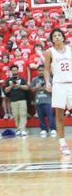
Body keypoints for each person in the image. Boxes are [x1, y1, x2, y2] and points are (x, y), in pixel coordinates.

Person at [44, 27, 71, 155]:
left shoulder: (70, 50)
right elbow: (46, 69)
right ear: (52, 40)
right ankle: (62, 143)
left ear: (63, 37)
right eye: (54, 36)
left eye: (59, 35)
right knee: (59, 115)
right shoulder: (49, 52)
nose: (57, 37)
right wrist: (47, 81)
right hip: (59, 85)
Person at [3, 64, 30, 137]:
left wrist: (19, 86)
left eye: (16, 70)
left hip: (22, 100)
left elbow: (27, 88)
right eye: (13, 70)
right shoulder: (8, 81)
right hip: (13, 100)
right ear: (11, 71)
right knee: (16, 116)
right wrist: (11, 86)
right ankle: (18, 129)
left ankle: (23, 130)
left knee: (23, 114)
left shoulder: (22, 79)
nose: (14, 71)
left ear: (18, 70)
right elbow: (5, 90)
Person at [31, 63, 56, 138]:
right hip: (38, 101)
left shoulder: (49, 79)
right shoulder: (34, 79)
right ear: (37, 71)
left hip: (48, 100)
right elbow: (31, 90)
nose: (41, 72)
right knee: (40, 116)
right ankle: (43, 129)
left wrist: (46, 88)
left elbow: (53, 90)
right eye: (39, 70)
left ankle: (52, 129)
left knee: (50, 116)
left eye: (42, 70)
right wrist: (37, 87)